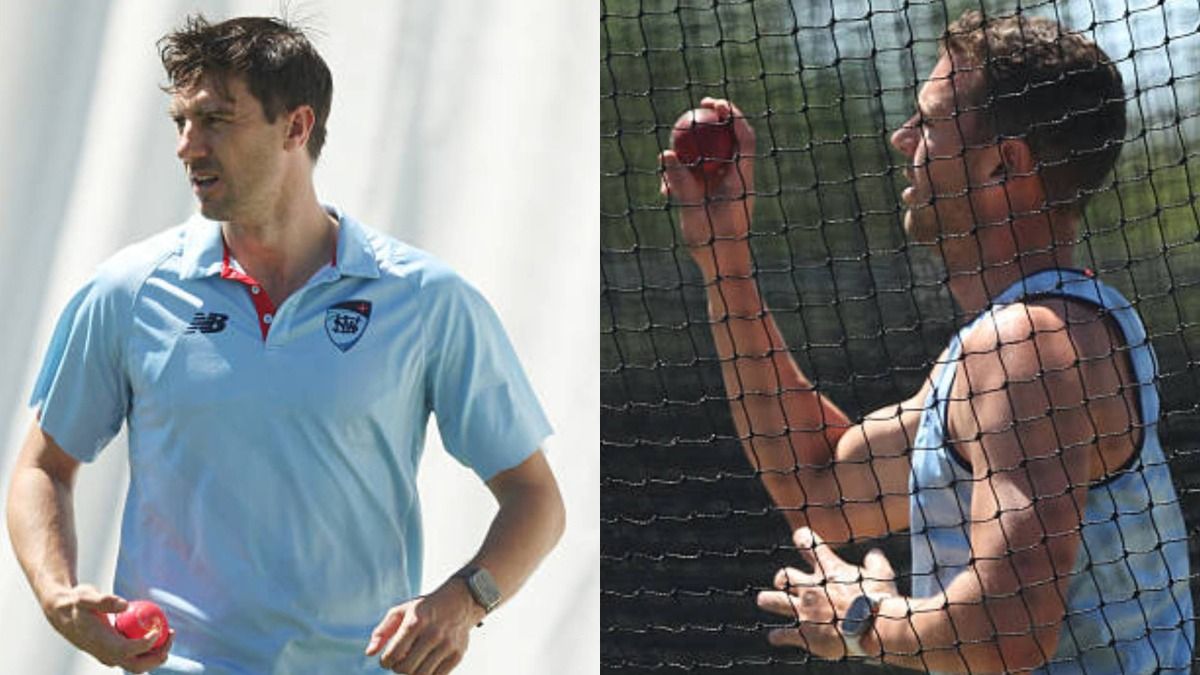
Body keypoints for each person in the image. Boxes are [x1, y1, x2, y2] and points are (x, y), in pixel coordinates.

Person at [6, 14, 564, 675]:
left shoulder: (426, 299)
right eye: (181, 122)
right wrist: (57, 595)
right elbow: (42, 467)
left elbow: (537, 500)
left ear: (296, 127)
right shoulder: (127, 291)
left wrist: (463, 600)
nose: (188, 145)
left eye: (215, 119)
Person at [661, 10, 1192, 673]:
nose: (900, 137)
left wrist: (861, 618)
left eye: (930, 122)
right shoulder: (1034, 337)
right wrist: (725, 261)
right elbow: (821, 485)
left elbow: (1012, 625)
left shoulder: (1024, 348)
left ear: (1005, 165)